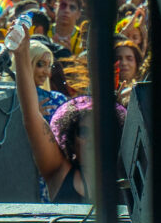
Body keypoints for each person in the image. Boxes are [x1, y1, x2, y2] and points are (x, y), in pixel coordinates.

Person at [12, 31, 125, 202]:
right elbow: (31, 115)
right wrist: (21, 54)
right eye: (83, 132)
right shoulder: (59, 171)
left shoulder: (126, 175)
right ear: (71, 140)